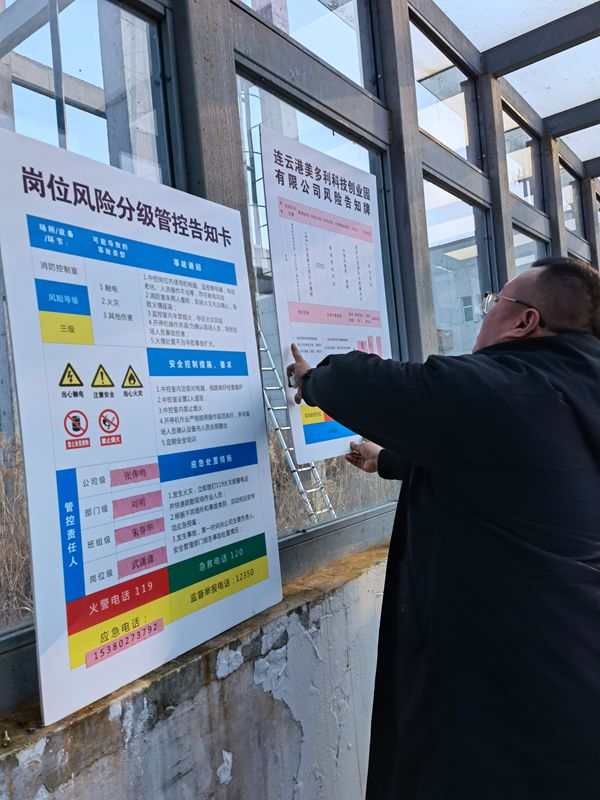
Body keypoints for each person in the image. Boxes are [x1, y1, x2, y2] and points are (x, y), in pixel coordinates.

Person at [286, 257, 600, 799]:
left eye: (493, 302)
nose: (485, 313)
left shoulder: (506, 384)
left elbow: (369, 383)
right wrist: (387, 460)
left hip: (507, 690)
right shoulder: (573, 389)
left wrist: (312, 379)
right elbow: (512, 461)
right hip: (571, 672)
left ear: (524, 321)